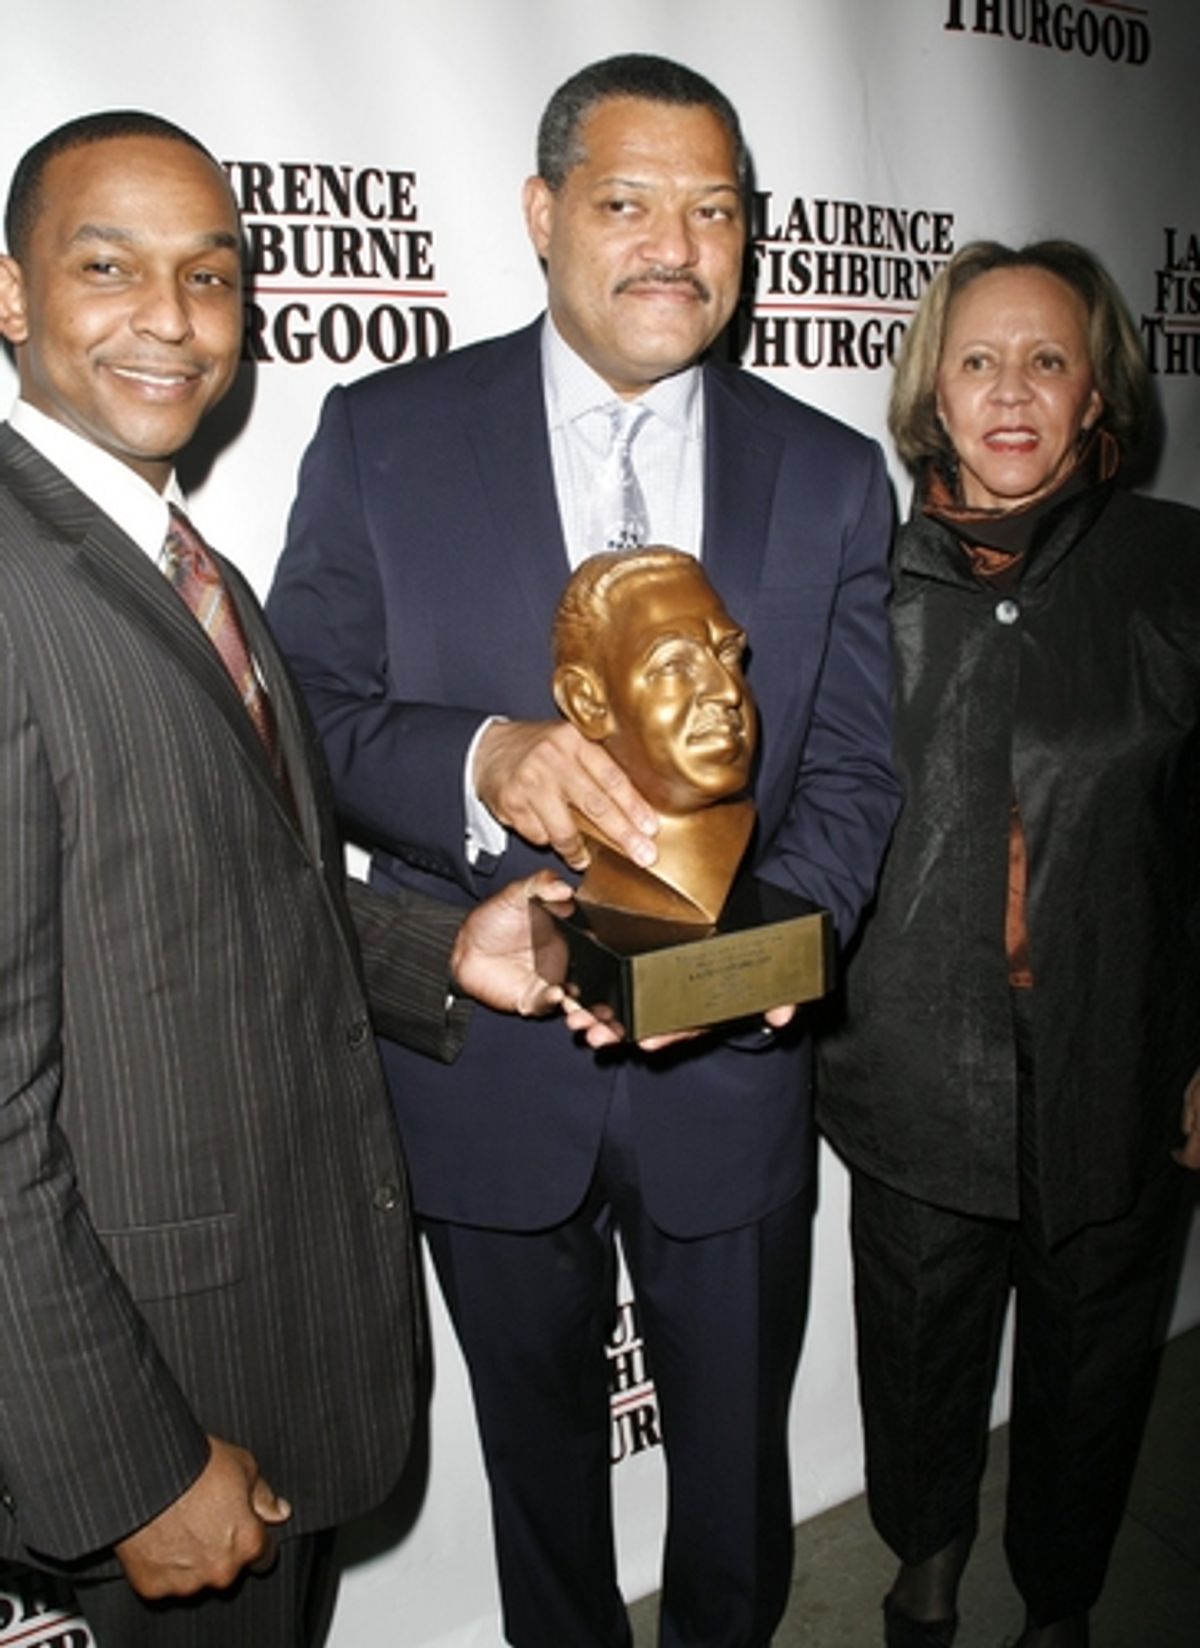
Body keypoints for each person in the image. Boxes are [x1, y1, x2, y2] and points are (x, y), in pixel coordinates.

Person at [267, 53, 899, 1648]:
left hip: (735, 1083)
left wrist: (774, 949)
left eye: (715, 211)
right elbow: (301, 720)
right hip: (486, 1074)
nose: (674, 247)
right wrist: (483, 761)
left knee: (737, 1483)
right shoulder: (383, 434)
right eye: (627, 203)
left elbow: (854, 771)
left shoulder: (830, 477)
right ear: (546, 215)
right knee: (539, 1482)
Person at [0, 109, 594, 1648]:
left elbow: (223, 895)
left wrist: (439, 950)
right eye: (108, 266)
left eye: (210, 275)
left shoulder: (182, 564)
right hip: (148, 1399)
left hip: (261, 1344)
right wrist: (124, 1467)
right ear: (10, 297)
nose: (172, 320)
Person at [816, 240, 1200, 1648]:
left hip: (1123, 1058)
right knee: (916, 1352)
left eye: (1047, 359)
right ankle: (921, 1567)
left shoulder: (1180, 567)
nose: (1012, 392)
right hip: (912, 1059)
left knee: (1095, 1362)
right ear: (933, 388)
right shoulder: (858, 580)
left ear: (1098, 389)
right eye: (978, 359)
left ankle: (1062, 1604)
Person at [551, 545, 756, 922]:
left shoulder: (740, 824)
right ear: (587, 702)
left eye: (727, 653)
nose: (728, 691)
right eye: (674, 664)